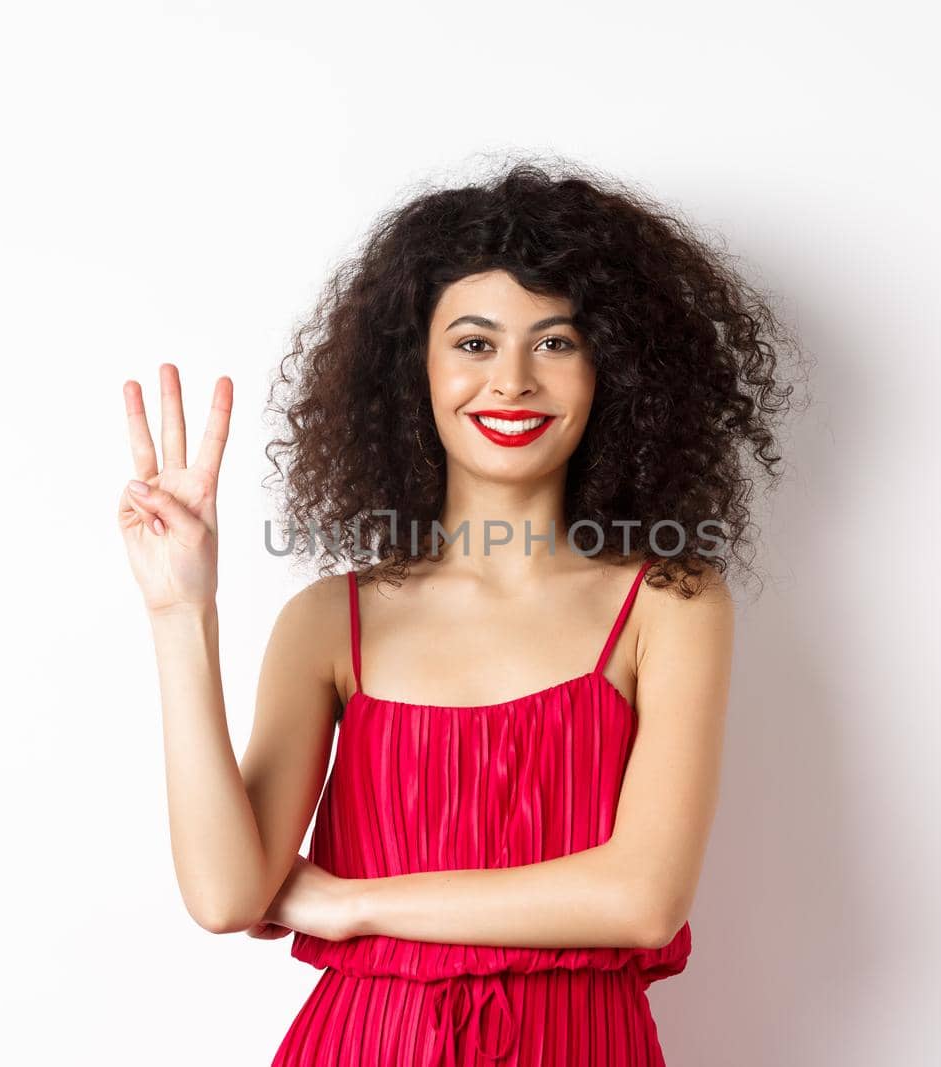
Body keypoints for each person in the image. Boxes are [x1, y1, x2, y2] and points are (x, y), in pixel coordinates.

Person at [115, 159, 794, 1065]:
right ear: (415, 369)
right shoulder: (330, 620)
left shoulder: (668, 603)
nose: (511, 380)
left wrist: (355, 903)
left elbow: (641, 897)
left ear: (613, 370)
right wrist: (179, 612)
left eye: (555, 342)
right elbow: (228, 895)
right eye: (474, 343)